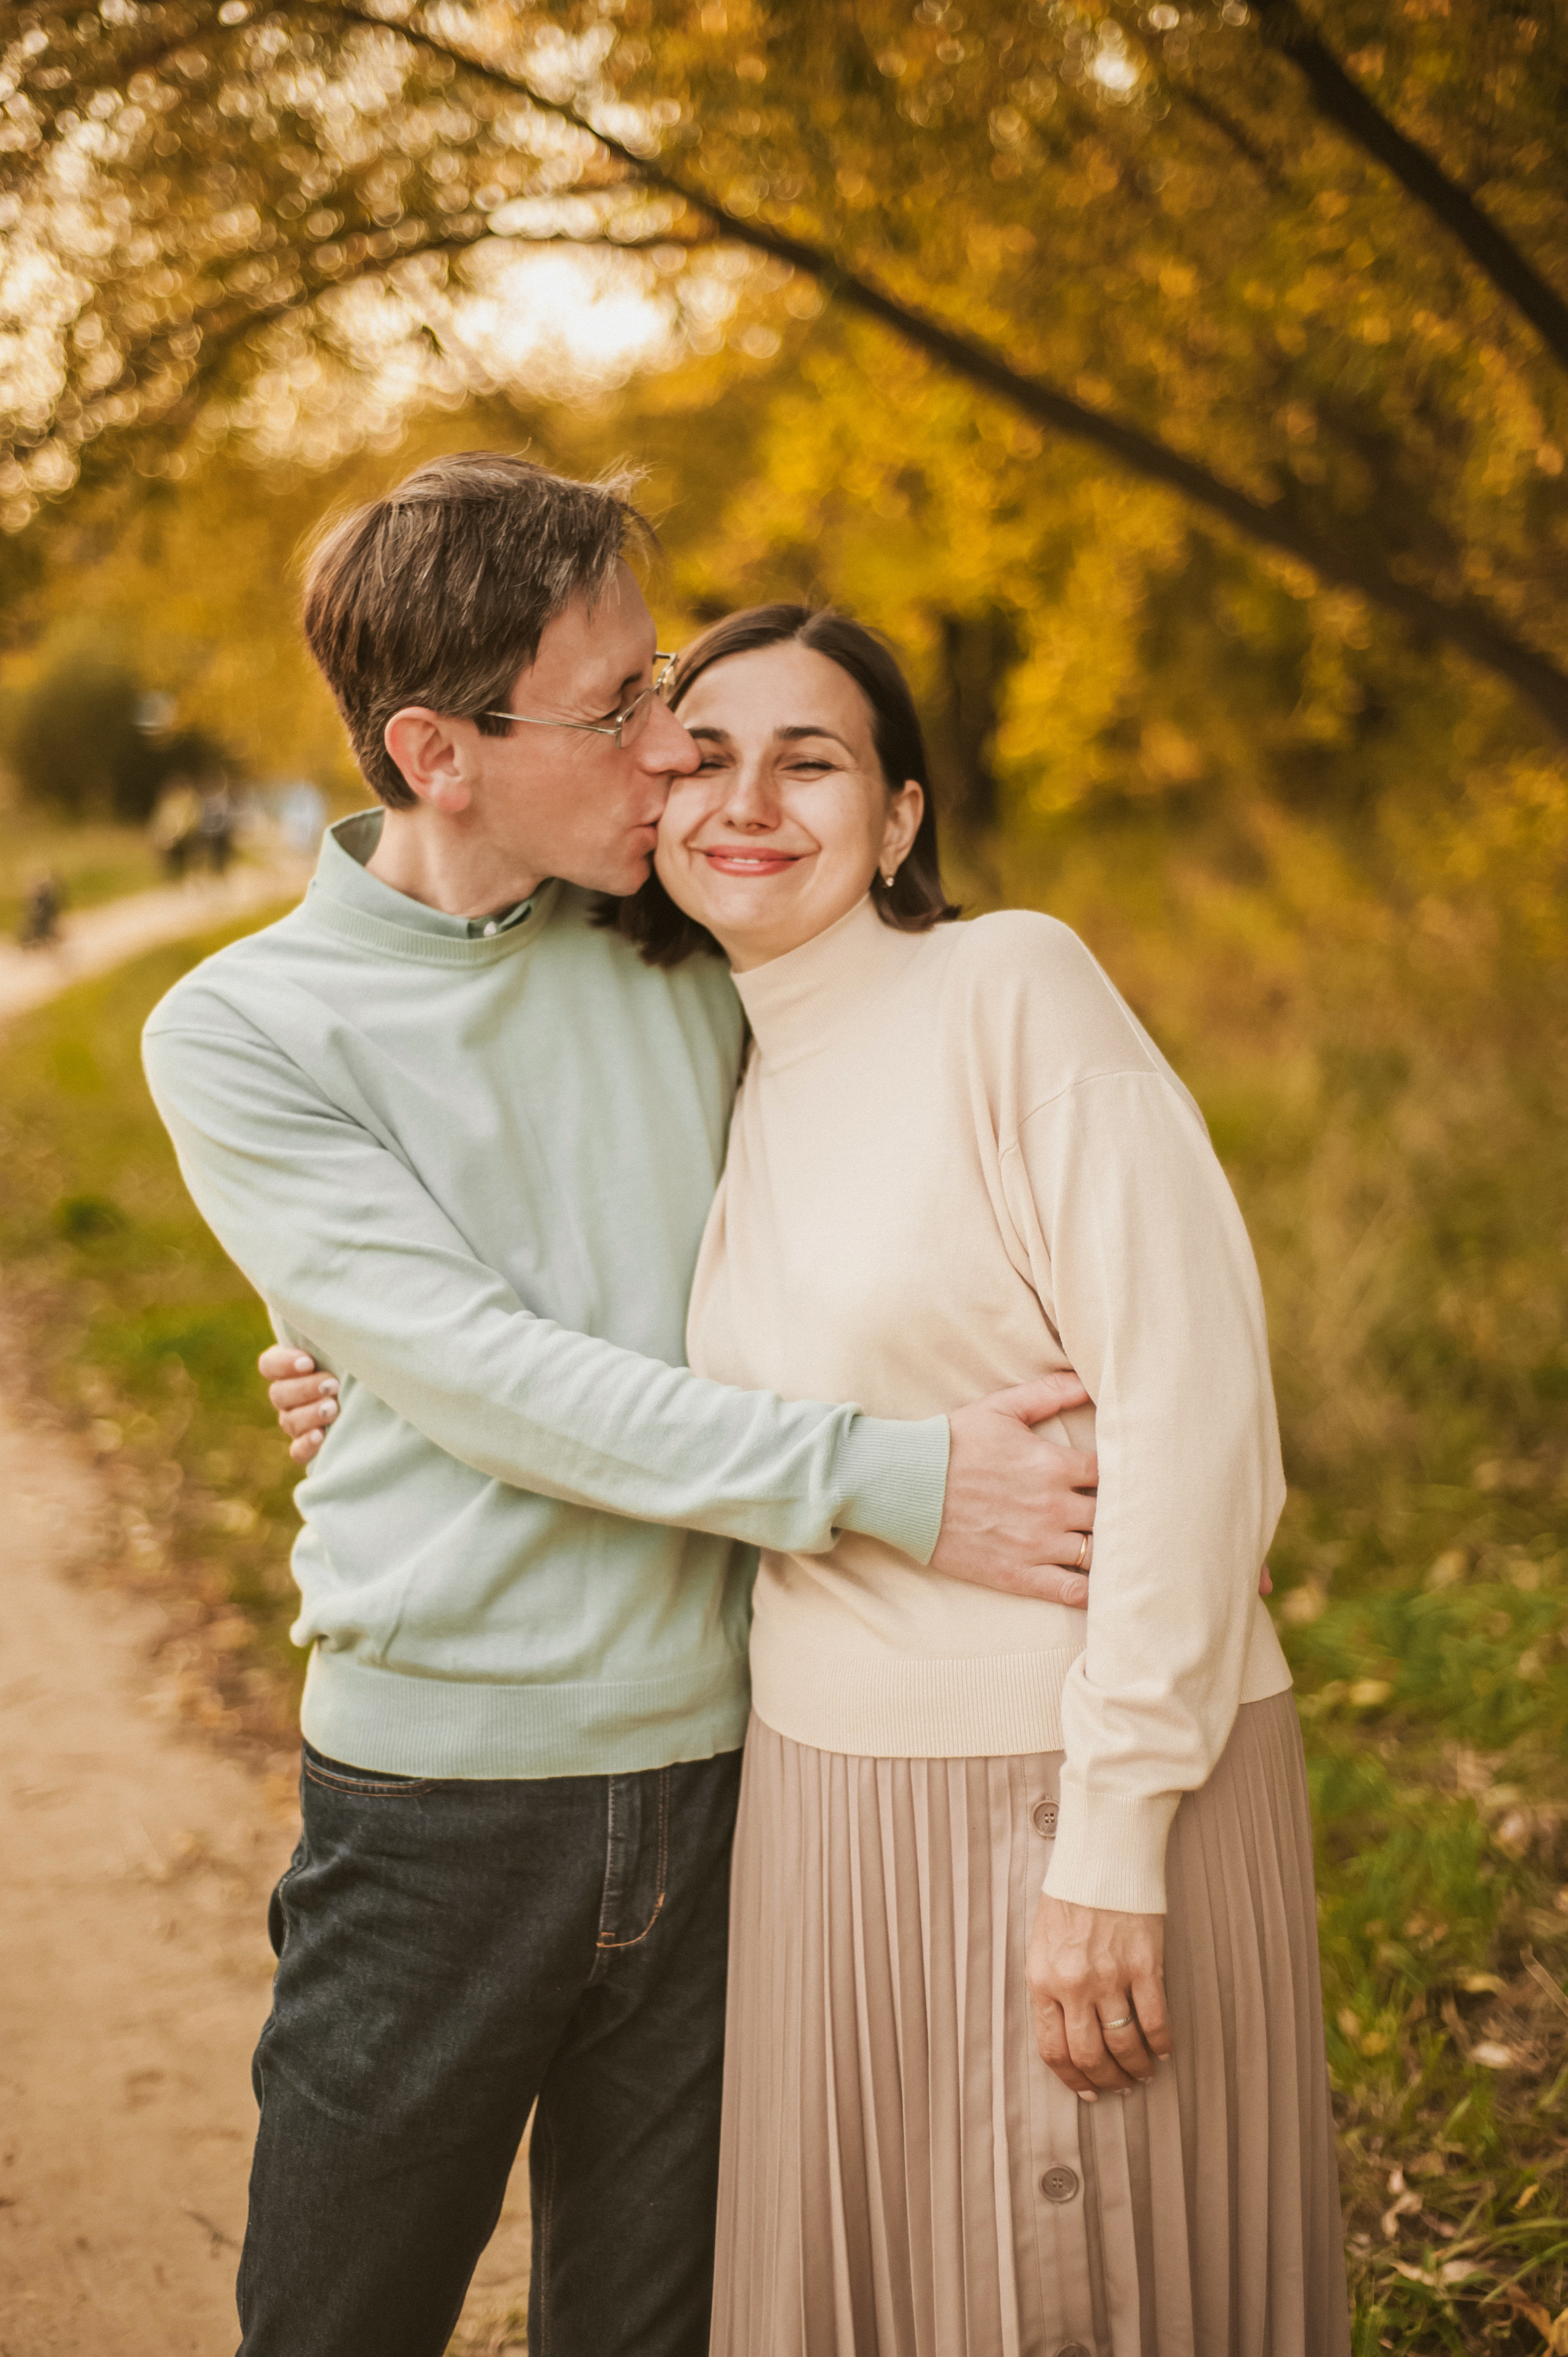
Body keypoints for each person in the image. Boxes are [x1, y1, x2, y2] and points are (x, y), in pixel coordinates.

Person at [270, 599, 1348, 2351]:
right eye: (700, 757)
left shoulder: (1010, 988)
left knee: (1066, 2303)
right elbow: (579, 1341)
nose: (745, 800)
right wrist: (360, 1382)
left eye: (812, 760)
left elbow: (1197, 1411)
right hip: (812, 1809)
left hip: (1060, 1784)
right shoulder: (726, 1049)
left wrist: (1118, 1831)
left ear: (902, 817)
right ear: (648, 801)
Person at [141, 453, 1104, 2357]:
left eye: (663, 682)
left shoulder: (684, 943)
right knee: (337, 2324)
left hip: (741, 1771)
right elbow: (501, 1382)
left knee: (657, 2334)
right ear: (438, 750)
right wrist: (893, 1480)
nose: (675, 752)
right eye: (625, 710)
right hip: (437, 1812)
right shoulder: (245, 1032)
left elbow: (899, 1164)